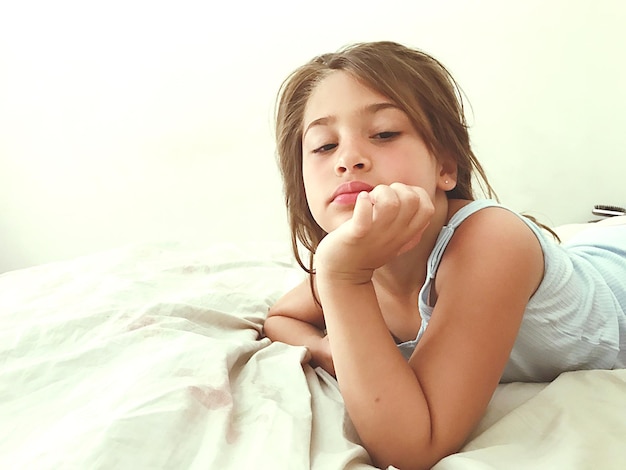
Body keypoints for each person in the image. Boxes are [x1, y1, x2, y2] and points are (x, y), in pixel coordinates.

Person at [262, 41, 626, 470]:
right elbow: (280, 319)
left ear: (445, 168)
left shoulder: (490, 240)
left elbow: (416, 447)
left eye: (384, 134)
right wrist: (326, 349)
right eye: (323, 146)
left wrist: (344, 279)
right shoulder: (357, 256)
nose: (349, 159)